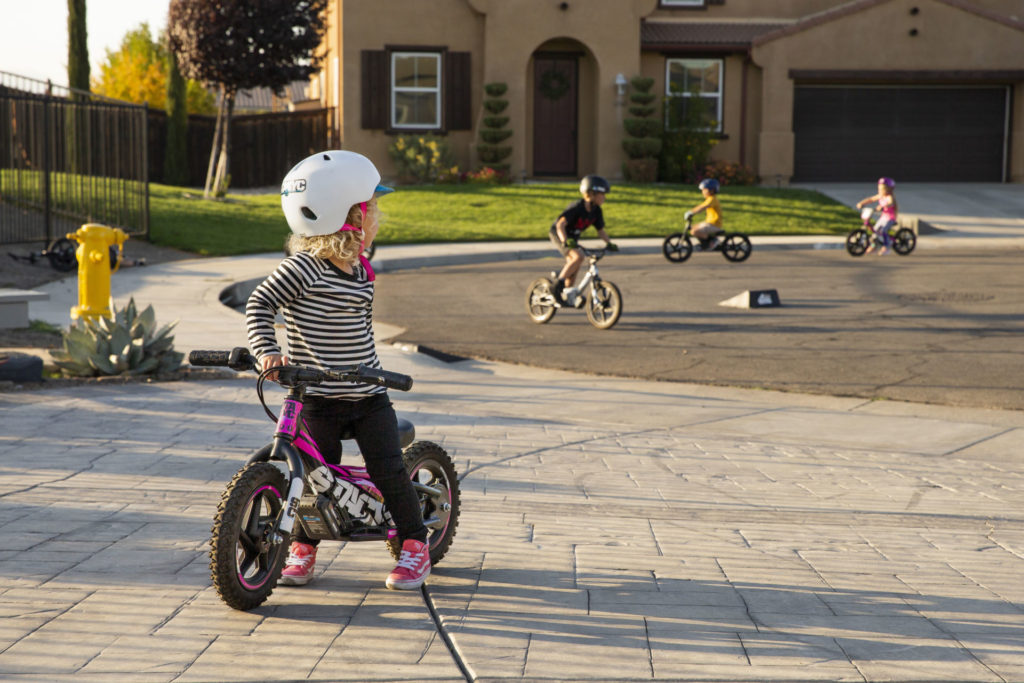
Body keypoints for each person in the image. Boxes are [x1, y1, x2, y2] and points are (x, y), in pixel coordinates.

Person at [245, 150, 430, 591]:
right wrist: (266, 351)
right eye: (372, 211)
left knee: (387, 470)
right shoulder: (304, 268)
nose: (377, 219)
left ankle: (415, 544)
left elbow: (357, 331)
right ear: (348, 216)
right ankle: (303, 547)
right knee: (313, 476)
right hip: (316, 397)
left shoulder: (358, 269)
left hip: (367, 395)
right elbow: (259, 304)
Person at [548, 175, 618, 306]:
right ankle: (556, 287)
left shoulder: (596, 211)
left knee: (575, 265)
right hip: (559, 234)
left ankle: (566, 293)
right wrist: (565, 240)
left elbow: (600, 231)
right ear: (591, 193)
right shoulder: (577, 207)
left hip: (572, 238)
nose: (604, 197)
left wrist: (609, 243)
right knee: (578, 256)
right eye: (602, 194)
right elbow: (560, 225)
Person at [856, 177, 898, 255]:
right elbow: (871, 199)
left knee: (882, 231)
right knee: (875, 231)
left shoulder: (889, 197)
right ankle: (873, 245)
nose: (880, 191)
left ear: (889, 190)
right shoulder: (880, 195)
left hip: (890, 218)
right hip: (883, 217)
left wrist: (883, 206)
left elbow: (891, 203)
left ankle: (886, 246)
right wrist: (861, 203)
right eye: (879, 189)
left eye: (883, 189)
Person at [685, 178, 724, 250]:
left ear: (711, 190)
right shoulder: (710, 199)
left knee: (694, 231)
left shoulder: (712, 199)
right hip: (710, 223)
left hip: (714, 224)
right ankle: (706, 243)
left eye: (704, 190)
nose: (702, 192)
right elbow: (701, 206)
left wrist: (692, 212)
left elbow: (703, 207)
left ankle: (712, 241)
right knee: (693, 228)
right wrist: (691, 211)